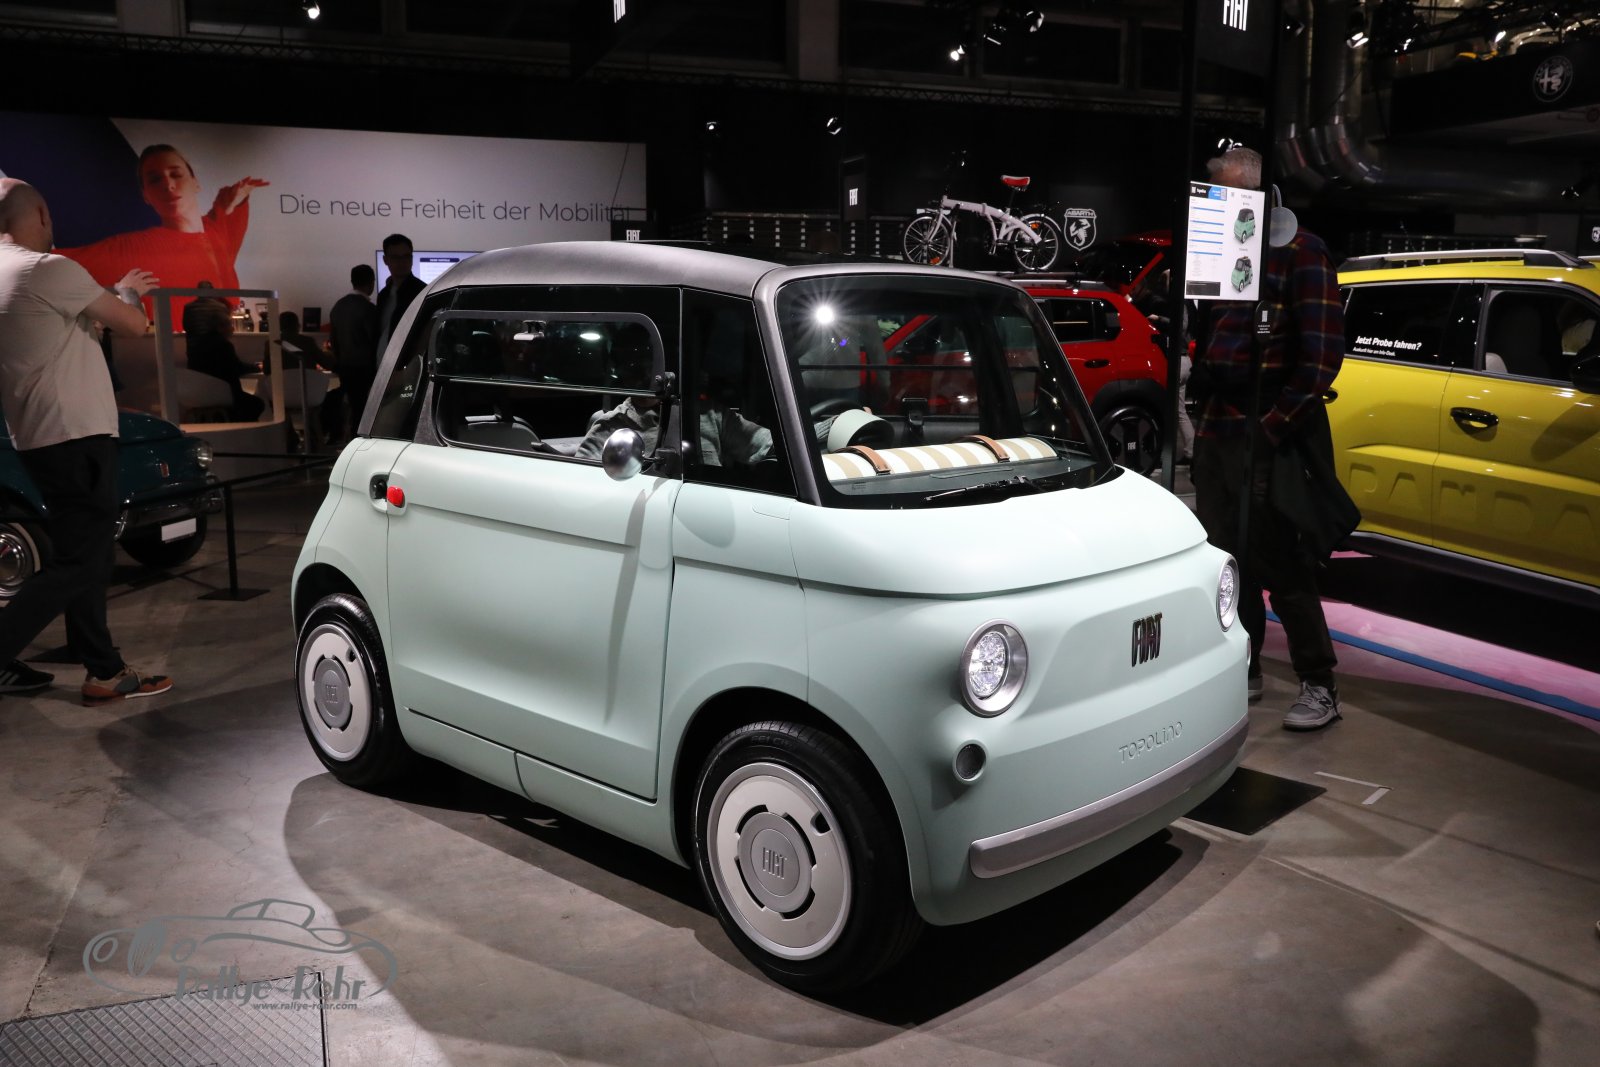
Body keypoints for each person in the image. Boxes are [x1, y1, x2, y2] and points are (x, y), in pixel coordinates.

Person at [0, 178, 175, 704]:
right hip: (75, 433)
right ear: (42, 215)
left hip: (36, 434)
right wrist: (128, 292)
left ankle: (102, 667)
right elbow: (134, 325)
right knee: (81, 561)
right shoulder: (47, 268)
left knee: (84, 552)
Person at [1188, 147, 1345, 731]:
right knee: (1228, 558)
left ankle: (1319, 682)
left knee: (1282, 560)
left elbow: (1322, 356)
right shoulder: (1228, 255)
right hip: (1219, 431)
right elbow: (1212, 337)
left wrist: (1273, 426)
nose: (1216, 203)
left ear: (1256, 195)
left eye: (1225, 192)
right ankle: (1246, 665)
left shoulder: (1301, 252)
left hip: (1262, 435)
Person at [56, 144, 268, 323]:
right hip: (167, 354)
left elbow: (226, 212)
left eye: (176, 174)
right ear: (145, 195)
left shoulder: (217, 233)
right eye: (155, 180)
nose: (168, 185)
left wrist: (234, 198)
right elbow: (57, 264)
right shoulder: (130, 248)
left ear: (195, 183)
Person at [575, 325, 773, 467]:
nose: (638, 370)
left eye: (645, 360)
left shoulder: (710, 416)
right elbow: (580, 477)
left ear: (661, 363)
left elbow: (768, 444)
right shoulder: (610, 426)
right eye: (628, 362)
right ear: (618, 369)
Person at [326, 264, 379, 440]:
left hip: (345, 367)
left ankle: (350, 439)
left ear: (352, 281)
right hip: (366, 368)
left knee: (352, 405)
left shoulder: (338, 306)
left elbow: (333, 341)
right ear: (371, 283)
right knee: (364, 409)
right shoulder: (368, 309)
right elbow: (374, 340)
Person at [185, 312, 264, 423]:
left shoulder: (197, 345)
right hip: (224, 394)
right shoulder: (223, 345)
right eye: (230, 325)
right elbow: (236, 367)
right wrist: (257, 368)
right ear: (220, 327)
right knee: (257, 404)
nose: (233, 329)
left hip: (199, 394)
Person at [375, 234, 426, 360]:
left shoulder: (422, 292)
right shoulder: (383, 295)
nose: (402, 262)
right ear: (385, 260)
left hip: (408, 367)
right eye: (395, 257)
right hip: (383, 366)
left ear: (412, 258)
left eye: (406, 256)